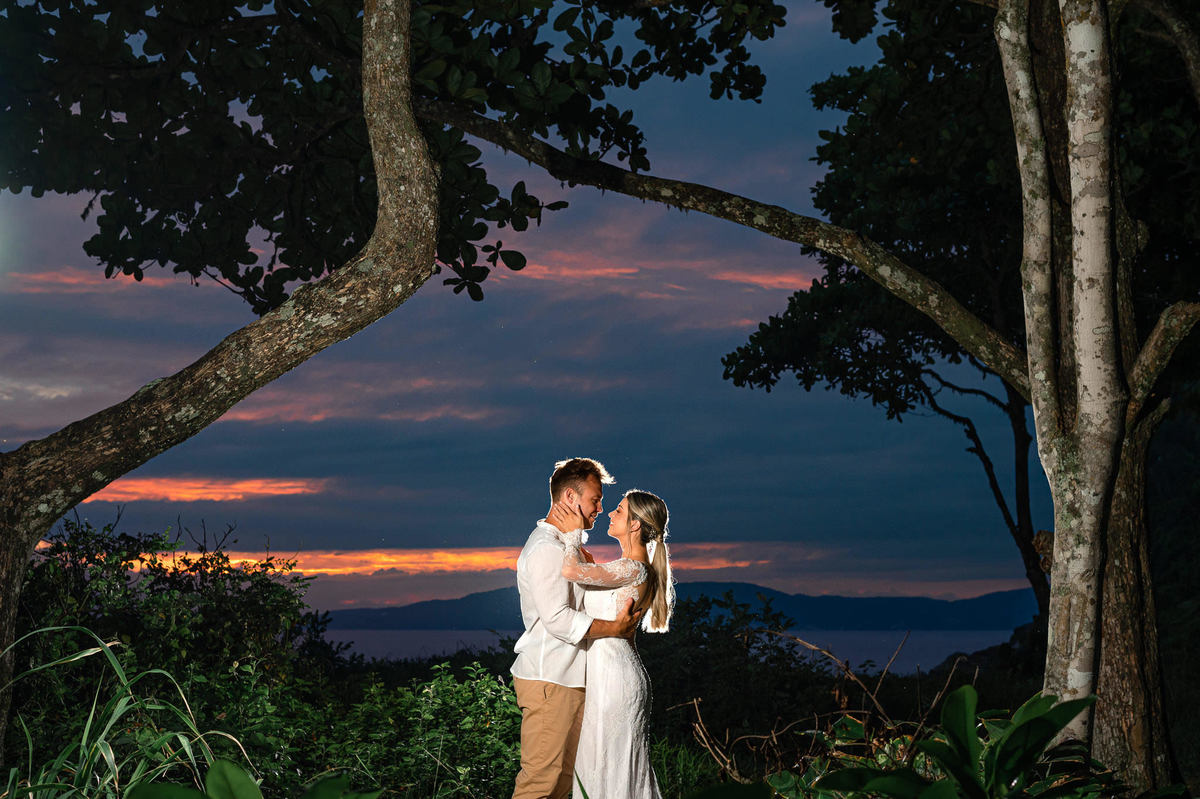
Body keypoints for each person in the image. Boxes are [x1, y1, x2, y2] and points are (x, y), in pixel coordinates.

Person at [511, 458, 642, 799]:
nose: (600, 508)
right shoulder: (547, 548)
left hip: (570, 679)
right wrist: (615, 628)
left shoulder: (568, 547)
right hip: (550, 679)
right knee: (540, 784)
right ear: (570, 497)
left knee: (564, 784)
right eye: (595, 499)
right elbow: (557, 619)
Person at [548, 488, 675, 799]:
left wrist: (573, 535)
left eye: (619, 510)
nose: (610, 513)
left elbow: (571, 571)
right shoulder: (628, 567)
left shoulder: (633, 568)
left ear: (635, 524)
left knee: (609, 765)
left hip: (614, 678)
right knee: (603, 764)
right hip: (609, 674)